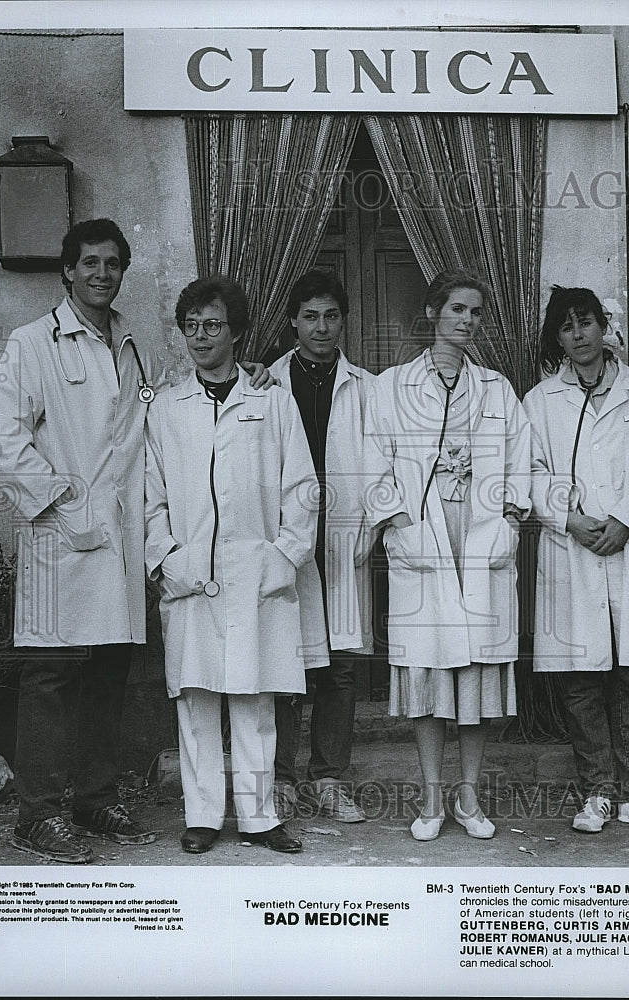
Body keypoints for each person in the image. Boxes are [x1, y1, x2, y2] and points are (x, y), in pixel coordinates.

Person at [0, 219, 273, 864]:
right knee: (52, 678)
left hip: (116, 547)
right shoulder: (34, 344)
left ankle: (92, 797)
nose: (102, 274)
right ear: (67, 270)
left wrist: (246, 375)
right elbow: (2, 437)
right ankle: (42, 812)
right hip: (59, 541)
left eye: (113, 263)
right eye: (89, 262)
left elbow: (163, 409)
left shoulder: (129, 347)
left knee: (107, 675)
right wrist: (63, 502)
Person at [144, 275, 328, 855]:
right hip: (191, 573)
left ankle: (259, 816)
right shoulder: (168, 406)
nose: (200, 337)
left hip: (256, 573)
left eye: (213, 325)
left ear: (237, 330)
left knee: (254, 700)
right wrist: (166, 559)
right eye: (191, 326)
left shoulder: (271, 400)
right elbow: (152, 495)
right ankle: (201, 815)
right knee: (196, 699)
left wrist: (282, 560)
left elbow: (302, 488)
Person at [362, 270, 530, 841]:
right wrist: (398, 522)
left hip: (478, 535)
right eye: (456, 309)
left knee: (476, 673)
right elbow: (372, 462)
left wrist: (509, 518)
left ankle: (470, 797)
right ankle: (432, 799)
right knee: (430, 669)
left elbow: (521, 459)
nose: (467, 320)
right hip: (425, 536)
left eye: (476, 312)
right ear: (433, 313)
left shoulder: (497, 389)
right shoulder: (391, 387)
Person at [523, 285, 629, 833]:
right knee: (580, 680)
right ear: (558, 338)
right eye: (567, 327)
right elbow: (528, 469)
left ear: (603, 326)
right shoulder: (541, 400)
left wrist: (625, 521)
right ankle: (598, 792)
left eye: (586, 322)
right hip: (572, 550)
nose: (579, 335)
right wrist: (567, 518)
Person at [269, 270, 376, 824]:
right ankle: (282, 778)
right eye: (310, 316)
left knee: (339, 663)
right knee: (286, 656)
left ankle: (329, 778)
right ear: (293, 320)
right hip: (286, 535)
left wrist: (372, 527)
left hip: (342, 533)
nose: (321, 327)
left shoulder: (366, 386)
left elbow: (382, 463)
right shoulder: (265, 384)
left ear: (344, 320)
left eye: (331, 316)